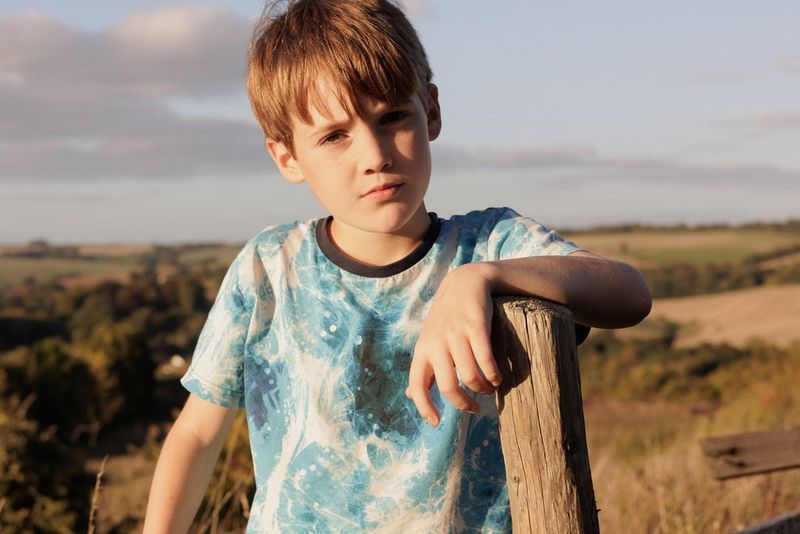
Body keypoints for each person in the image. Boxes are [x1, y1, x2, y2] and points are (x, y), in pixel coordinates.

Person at [143, 0, 652, 532]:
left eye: (391, 118)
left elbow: (629, 292)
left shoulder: (491, 246)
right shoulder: (269, 269)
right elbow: (198, 435)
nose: (374, 154)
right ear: (287, 156)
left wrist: (476, 280)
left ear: (430, 110)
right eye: (334, 136)